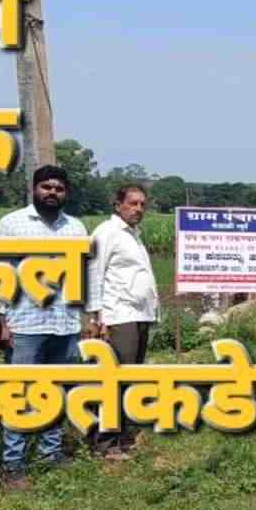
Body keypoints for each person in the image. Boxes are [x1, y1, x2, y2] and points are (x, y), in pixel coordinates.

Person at [0, 165, 99, 490]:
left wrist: (91, 316)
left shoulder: (76, 228)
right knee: (20, 394)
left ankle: (50, 454)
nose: (52, 193)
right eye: (46, 187)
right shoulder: (11, 225)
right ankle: (13, 465)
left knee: (58, 391)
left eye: (59, 188)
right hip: (24, 323)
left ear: (66, 193)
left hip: (65, 322)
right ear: (34, 189)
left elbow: (85, 274)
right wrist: (0, 321)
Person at [87, 184, 159, 458]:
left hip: (139, 314)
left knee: (129, 378)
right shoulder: (107, 232)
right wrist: (97, 317)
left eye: (142, 204)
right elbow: (93, 273)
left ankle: (122, 433)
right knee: (114, 379)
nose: (138, 209)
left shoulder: (133, 235)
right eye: (132, 203)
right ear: (118, 205)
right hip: (117, 315)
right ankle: (105, 443)